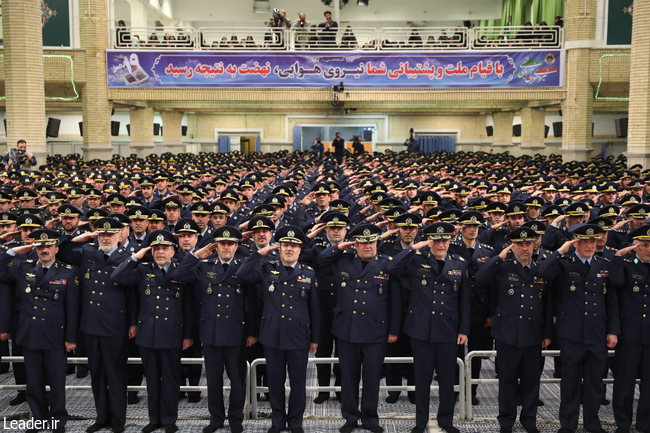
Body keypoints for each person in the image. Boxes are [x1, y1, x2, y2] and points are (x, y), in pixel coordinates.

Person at [314, 223, 400, 433]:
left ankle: (370, 418)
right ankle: (350, 417)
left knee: (371, 378)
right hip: (347, 330)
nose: (367, 246)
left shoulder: (387, 265)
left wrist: (393, 330)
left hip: (375, 331)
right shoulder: (343, 260)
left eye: (371, 242)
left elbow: (395, 301)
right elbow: (319, 261)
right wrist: (340, 247)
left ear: (376, 243)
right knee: (348, 377)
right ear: (356, 244)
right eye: (362, 242)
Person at [385, 222, 469, 433]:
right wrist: (414, 248)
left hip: (448, 329)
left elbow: (464, 300)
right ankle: (420, 422)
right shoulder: (416, 260)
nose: (441, 244)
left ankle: (445, 420)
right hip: (421, 329)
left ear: (451, 241)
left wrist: (464, 329)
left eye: (445, 240)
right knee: (422, 379)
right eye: (436, 240)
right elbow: (391, 267)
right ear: (429, 241)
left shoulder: (459, 263)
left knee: (447, 379)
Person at [175, 226, 259, 433]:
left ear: (236, 246)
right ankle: (216, 418)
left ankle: (235, 419)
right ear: (217, 246)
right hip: (211, 332)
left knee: (237, 380)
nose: (226, 247)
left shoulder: (243, 266)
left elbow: (253, 303)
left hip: (236, 333)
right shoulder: (204, 266)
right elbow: (177, 275)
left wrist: (252, 332)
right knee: (213, 381)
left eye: (230, 244)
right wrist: (196, 255)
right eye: (222, 243)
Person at [537, 224, 619, 433]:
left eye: (594, 241)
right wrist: (560, 251)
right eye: (585, 241)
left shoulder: (604, 264)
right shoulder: (565, 263)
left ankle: (592, 422)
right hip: (571, 333)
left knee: (594, 383)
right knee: (570, 381)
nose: (591, 245)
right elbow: (542, 272)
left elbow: (612, 301)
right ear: (576, 242)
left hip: (597, 332)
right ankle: (568, 423)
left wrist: (613, 330)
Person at [237, 226, 319, 433]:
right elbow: (242, 274)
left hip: (299, 336)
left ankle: (296, 421)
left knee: (298, 382)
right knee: (275, 382)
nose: (289, 249)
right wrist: (258, 254)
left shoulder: (308, 273)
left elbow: (314, 308)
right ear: (279, 248)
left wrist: (315, 338)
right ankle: (278, 421)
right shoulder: (266, 269)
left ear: (300, 250)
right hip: (272, 335)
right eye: (285, 245)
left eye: (293, 246)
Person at [111, 230, 195, 433]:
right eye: (156, 248)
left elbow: (190, 306)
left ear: (173, 251)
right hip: (148, 333)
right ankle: (154, 419)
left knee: (171, 379)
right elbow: (117, 276)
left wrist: (188, 335)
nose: (160, 252)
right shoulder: (142, 269)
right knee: (152, 379)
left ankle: (169, 420)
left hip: (172, 333)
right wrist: (135, 257)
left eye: (164, 248)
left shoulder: (181, 270)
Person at [54, 217, 133, 433]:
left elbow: (133, 297)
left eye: (110, 234)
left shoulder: (127, 258)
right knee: (96, 374)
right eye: (101, 234)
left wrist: (133, 323)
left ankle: (118, 419)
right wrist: (80, 236)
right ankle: (101, 417)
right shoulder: (87, 252)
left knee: (116, 374)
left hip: (115, 325)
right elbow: (60, 252)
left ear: (119, 235)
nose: (106, 238)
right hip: (90, 324)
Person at [0, 228, 80, 433]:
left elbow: (72, 308)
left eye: (48, 246)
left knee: (56, 381)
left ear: (56, 248)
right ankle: (38, 419)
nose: (44, 250)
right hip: (30, 334)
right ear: (34, 248)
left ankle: (57, 420)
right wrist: (11, 252)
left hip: (55, 334)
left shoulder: (68, 271)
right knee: (33, 382)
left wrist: (71, 338)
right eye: (40, 246)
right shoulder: (23, 268)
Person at [474, 226, 552, 433]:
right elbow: (480, 279)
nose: (525, 247)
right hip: (507, 333)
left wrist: (547, 334)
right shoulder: (503, 267)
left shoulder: (541, 269)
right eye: (520, 244)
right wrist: (499, 257)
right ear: (512, 246)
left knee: (531, 381)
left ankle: (529, 420)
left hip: (534, 334)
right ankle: (506, 421)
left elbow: (548, 304)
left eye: (528, 243)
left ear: (534, 244)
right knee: (507, 381)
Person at [610, 226, 650, 433]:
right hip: (630, 334)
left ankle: (646, 423)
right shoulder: (626, 265)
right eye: (645, 245)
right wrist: (617, 256)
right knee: (624, 382)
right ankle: (623, 423)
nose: (649, 249)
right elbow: (615, 283)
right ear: (636, 247)